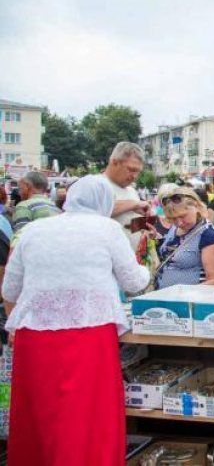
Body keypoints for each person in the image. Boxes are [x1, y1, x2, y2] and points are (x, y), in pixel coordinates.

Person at [2, 175, 150, 466]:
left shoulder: (33, 230)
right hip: (89, 331)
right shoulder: (106, 229)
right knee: (87, 414)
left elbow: (9, 288)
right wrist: (145, 270)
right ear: (104, 202)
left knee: (41, 416)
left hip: (35, 334)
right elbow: (133, 281)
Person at [155, 186, 214, 289]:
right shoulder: (175, 228)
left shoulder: (208, 234)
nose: (179, 223)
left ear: (195, 206)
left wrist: (186, 293)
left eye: (183, 216)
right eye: (173, 219)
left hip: (189, 300)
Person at [102, 142, 150, 249]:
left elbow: (127, 225)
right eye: (131, 169)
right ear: (114, 162)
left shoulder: (131, 190)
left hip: (133, 259)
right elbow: (98, 210)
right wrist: (134, 204)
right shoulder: (97, 184)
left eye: (138, 171)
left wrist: (147, 227)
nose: (135, 176)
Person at [11, 171, 62, 239]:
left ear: (27, 186)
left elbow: (20, 239)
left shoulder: (24, 206)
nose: (19, 193)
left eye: (20, 188)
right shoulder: (55, 207)